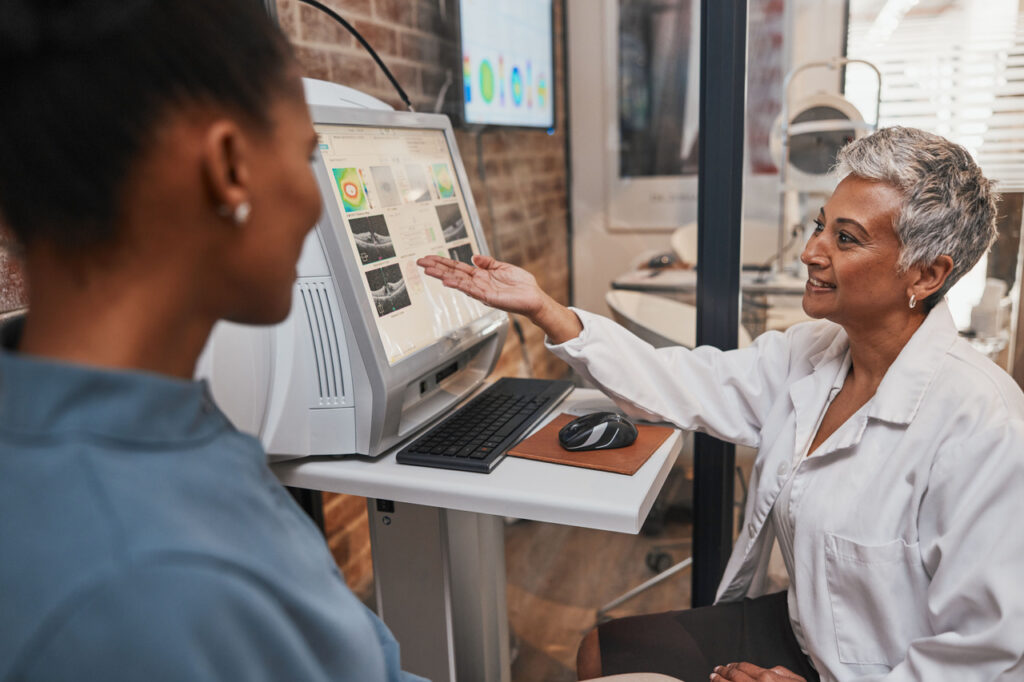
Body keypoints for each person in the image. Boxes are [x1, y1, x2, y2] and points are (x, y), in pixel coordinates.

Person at [419, 126, 1024, 681]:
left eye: (846, 239)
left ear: (925, 274)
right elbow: (683, 380)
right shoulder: (814, 352)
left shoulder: (983, 425)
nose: (812, 252)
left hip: (888, 670)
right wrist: (548, 310)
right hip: (805, 630)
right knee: (603, 651)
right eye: (821, 225)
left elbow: (987, 651)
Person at [0, 2, 426, 680]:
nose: (319, 202)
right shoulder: (139, 592)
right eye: (309, 156)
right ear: (230, 166)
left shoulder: (155, 429)